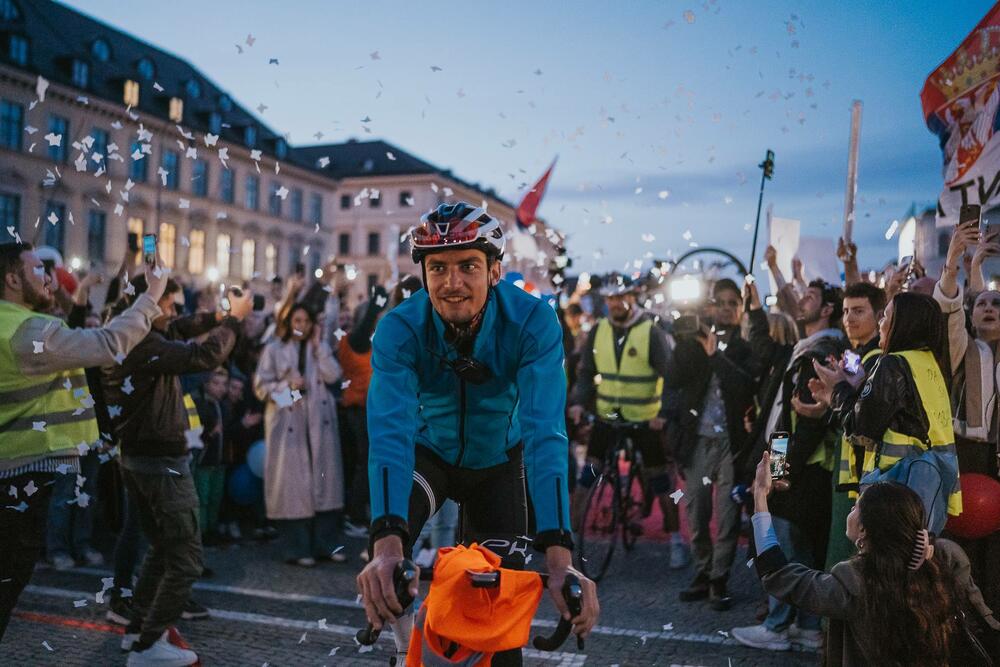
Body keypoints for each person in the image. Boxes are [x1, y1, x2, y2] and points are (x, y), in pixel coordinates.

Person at [358, 202, 599, 665]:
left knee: (497, 624)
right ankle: (404, 643)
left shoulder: (532, 321)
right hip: (430, 455)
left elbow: (546, 434)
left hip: (499, 463)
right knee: (388, 556)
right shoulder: (399, 328)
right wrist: (385, 545)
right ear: (423, 274)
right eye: (438, 268)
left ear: (494, 271)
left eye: (468, 266)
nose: (452, 282)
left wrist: (559, 556)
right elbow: (389, 434)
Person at [0, 242, 166, 642]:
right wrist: (152, 295)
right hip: (18, 476)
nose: (49, 278)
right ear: (11, 280)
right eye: (38, 269)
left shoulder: (14, 324)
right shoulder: (25, 332)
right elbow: (107, 344)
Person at [102, 274, 251, 666]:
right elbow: (202, 357)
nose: (174, 313)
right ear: (148, 305)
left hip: (143, 457)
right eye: (168, 305)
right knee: (185, 557)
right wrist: (233, 321)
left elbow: (181, 328)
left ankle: (138, 631)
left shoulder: (129, 331)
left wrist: (217, 315)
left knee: (162, 549)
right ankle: (149, 646)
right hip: (160, 463)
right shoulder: (142, 342)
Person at [747, 451, 998, 665]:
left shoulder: (853, 584)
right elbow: (986, 623)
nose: (851, 509)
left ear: (864, 530)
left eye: (856, 506)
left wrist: (760, 497)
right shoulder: (943, 562)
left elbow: (777, 573)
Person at [734, 278, 847, 651]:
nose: (801, 300)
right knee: (802, 548)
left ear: (827, 310)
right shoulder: (809, 347)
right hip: (804, 465)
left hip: (803, 467)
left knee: (784, 545)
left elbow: (806, 425)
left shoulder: (821, 353)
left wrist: (779, 472)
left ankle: (778, 626)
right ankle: (807, 627)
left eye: (810, 297)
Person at [810, 292, 963, 527]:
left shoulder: (893, 363)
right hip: (928, 489)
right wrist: (859, 386)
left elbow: (860, 428)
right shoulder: (930, 362)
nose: (880, 324)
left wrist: (837, 390)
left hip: (892, 491)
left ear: (903, 324)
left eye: (886, 317)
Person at [567, 278, 690, 571]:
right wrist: (578, 402)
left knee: (660, 480)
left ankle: (676, 541)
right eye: (610, 298)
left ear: (633, 297)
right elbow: (586, 373)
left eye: (621, 297)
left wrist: (664, 413)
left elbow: (671, 378)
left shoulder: (651, 332)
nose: (615, 303)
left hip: (645, 420)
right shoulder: (599, 330)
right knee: (587, 477)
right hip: (608, 418)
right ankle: (569, 540)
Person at [665, 278, 758, 609]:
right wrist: (688, 338)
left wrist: (715, 354)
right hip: (697, 440)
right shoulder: (693, 341)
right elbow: (673, 381)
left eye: (734, 303)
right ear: (711, 306)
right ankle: (702, 572)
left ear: (742, 309)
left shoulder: (745, 347)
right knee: (696, 511)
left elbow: (744, 386)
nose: (727, 309)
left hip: (732, 442)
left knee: (728, 514)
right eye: (722, 302)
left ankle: (720, 579)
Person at [932, 220, 1000, 616]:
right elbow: (949, 312)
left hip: (997, 459)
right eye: (982, 305)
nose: (989, 308)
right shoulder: (963, 348)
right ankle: (962, 624)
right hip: (966, 456)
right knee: (964, 545)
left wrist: (979, 269)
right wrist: (956, 262)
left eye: (997, 304)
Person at [253, 301, 346, 567]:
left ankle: (326, 544)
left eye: (306, 321)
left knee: (324, 483)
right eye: (297, 321)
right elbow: (261, 386)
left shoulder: (319, 347)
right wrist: (287, 386)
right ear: (288, 323)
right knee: (294, 486)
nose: (301, 326)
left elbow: (334, 375)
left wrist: (319, 348)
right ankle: (297, 547)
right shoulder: (274, 349)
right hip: (289, 419)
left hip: (318, 421)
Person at [192, 368, 231, 545]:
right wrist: (210, 434)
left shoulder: (223, 405)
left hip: (220, 460)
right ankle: (202, 532)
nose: (221, 388)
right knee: (203, 497)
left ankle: (212, 529)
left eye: (224, 384)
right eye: (216, 383)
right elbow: (192, 435)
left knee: (216, 496)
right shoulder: (199, 404)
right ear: (206, 384)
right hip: (204, 460)